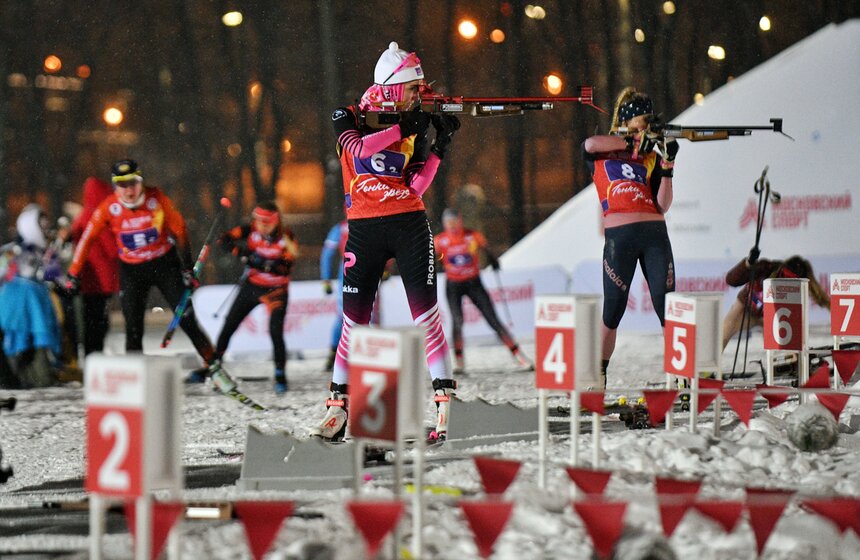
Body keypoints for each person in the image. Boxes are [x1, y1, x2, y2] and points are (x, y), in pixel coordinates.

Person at [310, 41, 460, 441]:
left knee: (426, 315)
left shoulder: (414, 121)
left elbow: (416, 185)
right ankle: (338, 408)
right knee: (352, 322)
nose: (421, 94)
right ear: (393, 86)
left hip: (409, 223)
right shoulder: (351, 115)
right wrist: (400, 128)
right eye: (415, 87)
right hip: (364, 228)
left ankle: (445, 404)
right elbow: (356, 149)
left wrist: (439, 149)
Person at [66, 160, 228, 386]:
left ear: (141, 182)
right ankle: (135, 381)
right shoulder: (109, 207)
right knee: (133, 327)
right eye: (122, 184)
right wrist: (74, 273)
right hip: (132, 271)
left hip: (164, 264)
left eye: (133, 183)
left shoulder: (156, 199)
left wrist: (187, 268)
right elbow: (87, 239)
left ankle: (215, 368)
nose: (128, 190)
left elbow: (180, 230)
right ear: (115, 186)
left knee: (187, 319)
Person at [582, 88, 679, 387]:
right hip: (619, 237)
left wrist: (668, 165)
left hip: (654, 234)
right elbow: (588, 144)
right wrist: (633, 140)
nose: (647, 125)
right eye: (642, 119)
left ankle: (681, 375)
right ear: (626, 120)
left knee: (668, 307)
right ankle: (596, 377)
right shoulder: (605, 148)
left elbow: (662, 203)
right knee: (612, 310)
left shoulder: (650, 154)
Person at [213, 202, 299, 393]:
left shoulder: (287, 236)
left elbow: (286, 267)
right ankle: (213, 367)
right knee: (229, 325)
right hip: (251, 287)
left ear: (276, 221)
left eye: (267, 222)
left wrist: (262, 264)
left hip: (275, 291)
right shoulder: (250, 230)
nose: (262, 225)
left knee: (275, 331)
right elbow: (223, 240)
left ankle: (280, 374)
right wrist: (242, 253)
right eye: (259, 221)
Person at [434, 208, 533, 373]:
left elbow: (486, 249)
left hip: (474, 283)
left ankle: (519, 355)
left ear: (460, 221)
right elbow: (432, 256)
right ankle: (459, 362)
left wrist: (494, 260)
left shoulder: (472, 236)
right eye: (448, 223)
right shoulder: (441, 240)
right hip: (453, 285)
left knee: (493, 320)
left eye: (454, 222)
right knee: (457, 321)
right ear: (444, 224)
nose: (452, 226)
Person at [722, 254, 830, 351]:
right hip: (746, 309)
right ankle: (709, 367)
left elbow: (820, 298)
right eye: (784, 277)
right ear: (782, 269)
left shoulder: (799, 286)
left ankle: (791, 366)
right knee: (724, 331)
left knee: (787, 339)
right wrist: (747, 264)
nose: (787, 283)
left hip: (772, 316)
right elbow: (731, 280)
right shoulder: (765, 267)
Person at [71, 177, 119, 356]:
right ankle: (95, 355)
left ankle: (90, 355)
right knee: (100, 321)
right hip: (102, 279)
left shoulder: (82, 216)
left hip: (86, 278)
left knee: (89, 320)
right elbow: (112, 250)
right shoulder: (100, 217)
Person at [319, 219, 348, 372]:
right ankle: (335, 353)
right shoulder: (341, 228)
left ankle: (335, 353)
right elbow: (327, 254)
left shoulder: (341, 227)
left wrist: (326, 279)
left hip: (349, 271)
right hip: (354, 272)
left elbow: (327, 254)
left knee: (344, 316)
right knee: (347, 316)